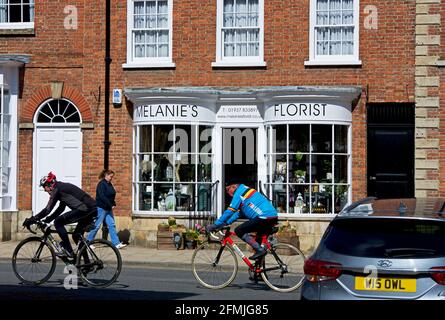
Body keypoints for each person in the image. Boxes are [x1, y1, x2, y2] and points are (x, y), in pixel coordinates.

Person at [23, 172, 97, 258]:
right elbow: (60, 209)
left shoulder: (57, 189)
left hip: (85, 209)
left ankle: (69, 251)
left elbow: (48, 209)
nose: (44, 190)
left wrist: (33, 219)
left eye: (44, 187)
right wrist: (47, 220)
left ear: (49, 185)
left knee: (58, 222)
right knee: (76, 236)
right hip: (90, 209)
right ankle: (87, 264)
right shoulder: (61, 188)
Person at [205, 181, 278, 260]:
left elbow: (230, 211)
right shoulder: (244, 191)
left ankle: (260, 250)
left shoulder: (239, 193)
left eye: (227, 189)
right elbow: (238, 213)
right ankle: (259, 269)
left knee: (239, 230)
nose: (228, 193)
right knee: (256, 245)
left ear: (234, 186)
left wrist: (215, 225)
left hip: (264, 217)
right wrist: (225, 223)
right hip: (271, 217)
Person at [86, 169, 127, 249]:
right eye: (110, 176)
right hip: (101, 208)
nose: (111, 178)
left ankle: (116, 243)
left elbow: (111, 195)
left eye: (112, 177)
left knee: (112, 225)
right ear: (106, 175)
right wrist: (110, 204)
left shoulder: (109, 184)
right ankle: (88, 242)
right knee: (97, 225)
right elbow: (102, 196)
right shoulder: (101, 184)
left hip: (108, 208)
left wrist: (113, 203)